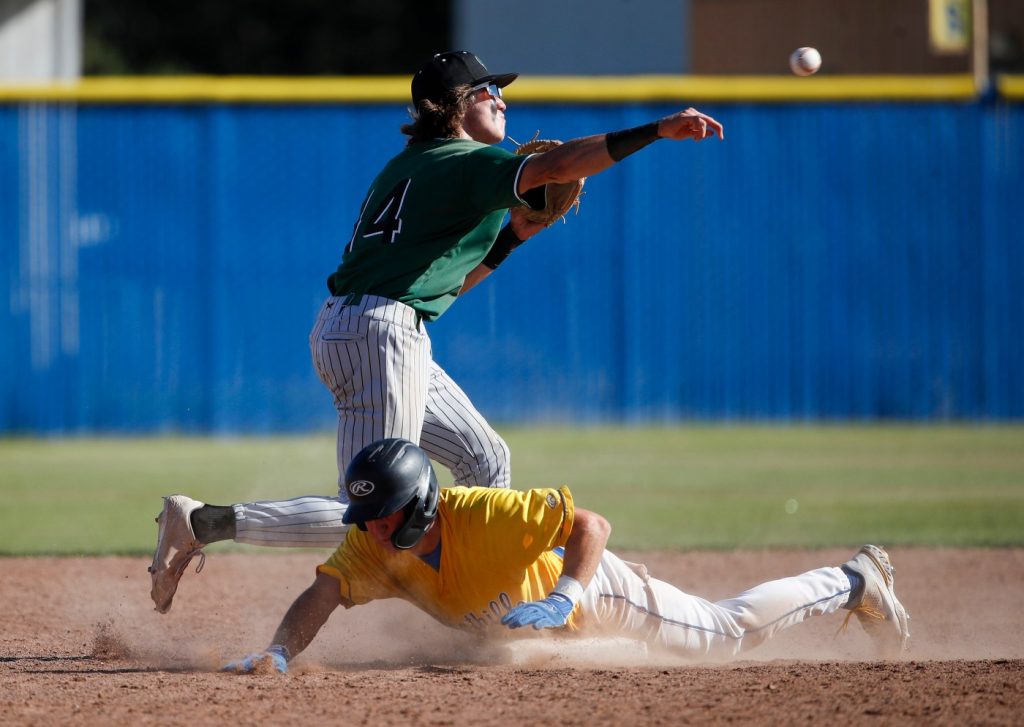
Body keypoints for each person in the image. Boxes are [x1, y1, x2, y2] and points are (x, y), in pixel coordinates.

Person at [149, 50, 725, 614]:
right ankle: (204, 521)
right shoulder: (463, 161)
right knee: (375, 506)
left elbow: (439, 289)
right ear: (451, 106)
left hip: (384, 327)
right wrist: (657, 129)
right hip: (379, 331)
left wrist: (511, 238)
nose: (501, 100)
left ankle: (485, 598)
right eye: (485, 91)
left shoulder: (417, 166)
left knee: (486, 460)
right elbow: (556, 166)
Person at [221, 438, 910, 673]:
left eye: (381, 515)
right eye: (364, 518)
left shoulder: (486, 515)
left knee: (725, 634)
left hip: (598, 592)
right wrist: (280, 649)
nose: (368, 529)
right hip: (555, 622)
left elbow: (592, 524)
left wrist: (567, 594)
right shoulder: (370, 551)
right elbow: (322, 592)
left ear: (423, 507)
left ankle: (854, 579)